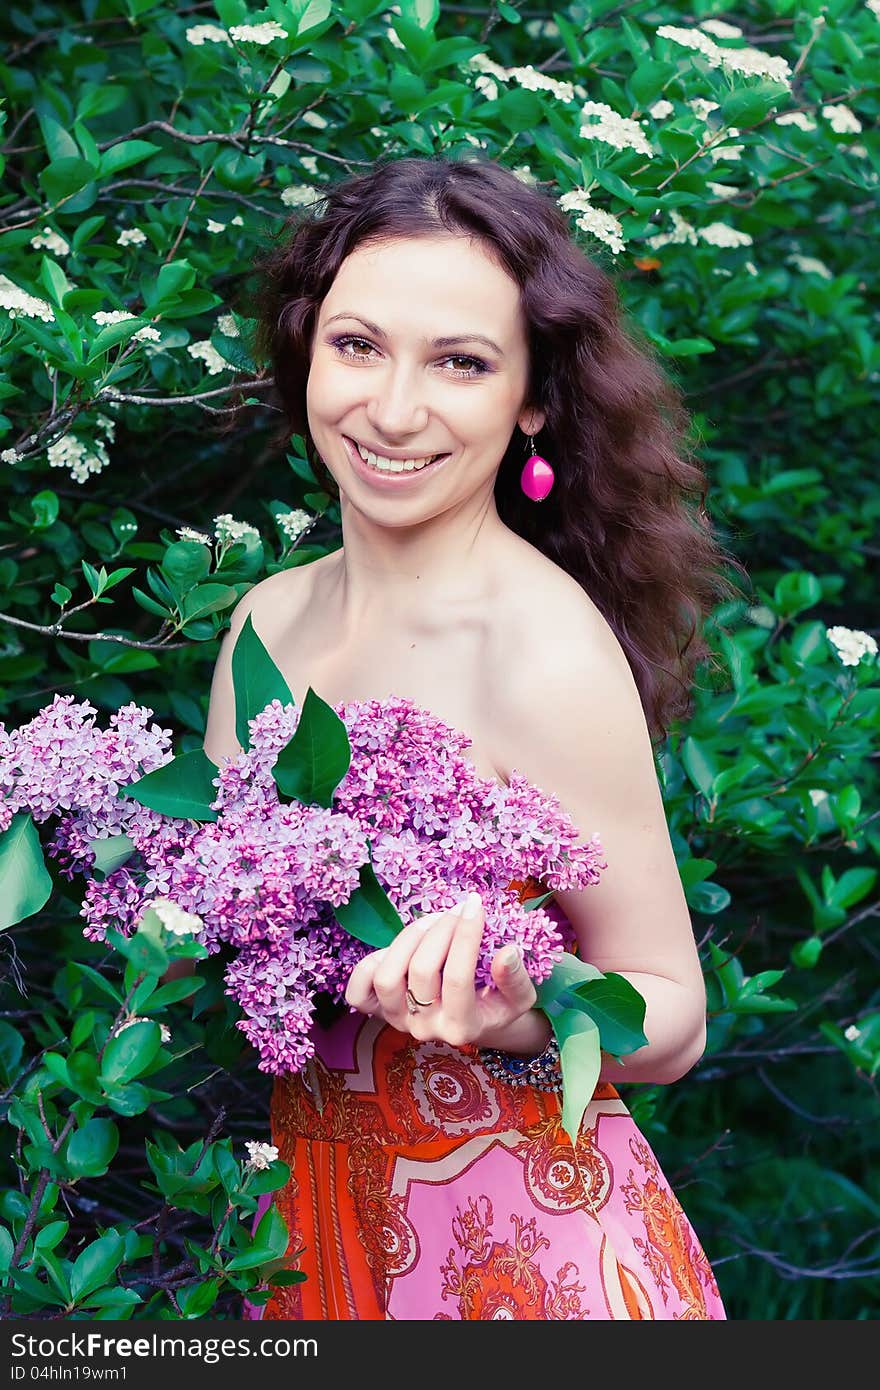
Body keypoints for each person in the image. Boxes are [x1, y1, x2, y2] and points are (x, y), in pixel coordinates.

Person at [203, 155, 738, 1320]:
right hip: (302, 1242)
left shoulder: (538, 648)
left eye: (460, 362)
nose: (393, 410)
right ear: (305, 356)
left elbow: (672, 1013)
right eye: (358, 346)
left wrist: (520, 1010)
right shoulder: (264, 625)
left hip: (521, 1263)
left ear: (532, 399)